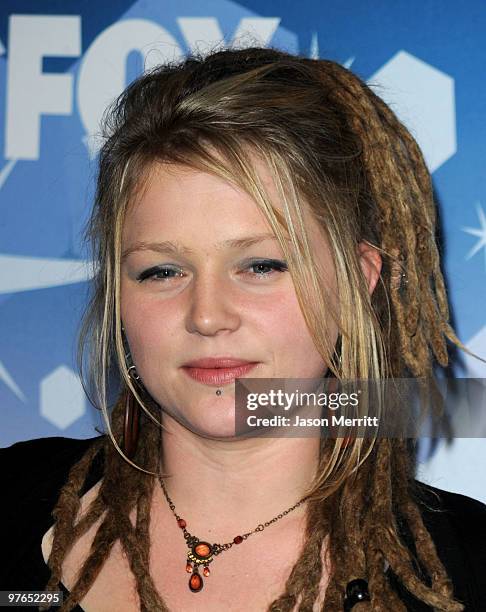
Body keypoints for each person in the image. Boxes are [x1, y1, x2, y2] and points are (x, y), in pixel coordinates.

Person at [2, 45, 486, 612]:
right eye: (163, 270)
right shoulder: (11, 499)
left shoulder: (468, 570)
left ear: (359, 279)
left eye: (261, 265)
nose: (207, 315)